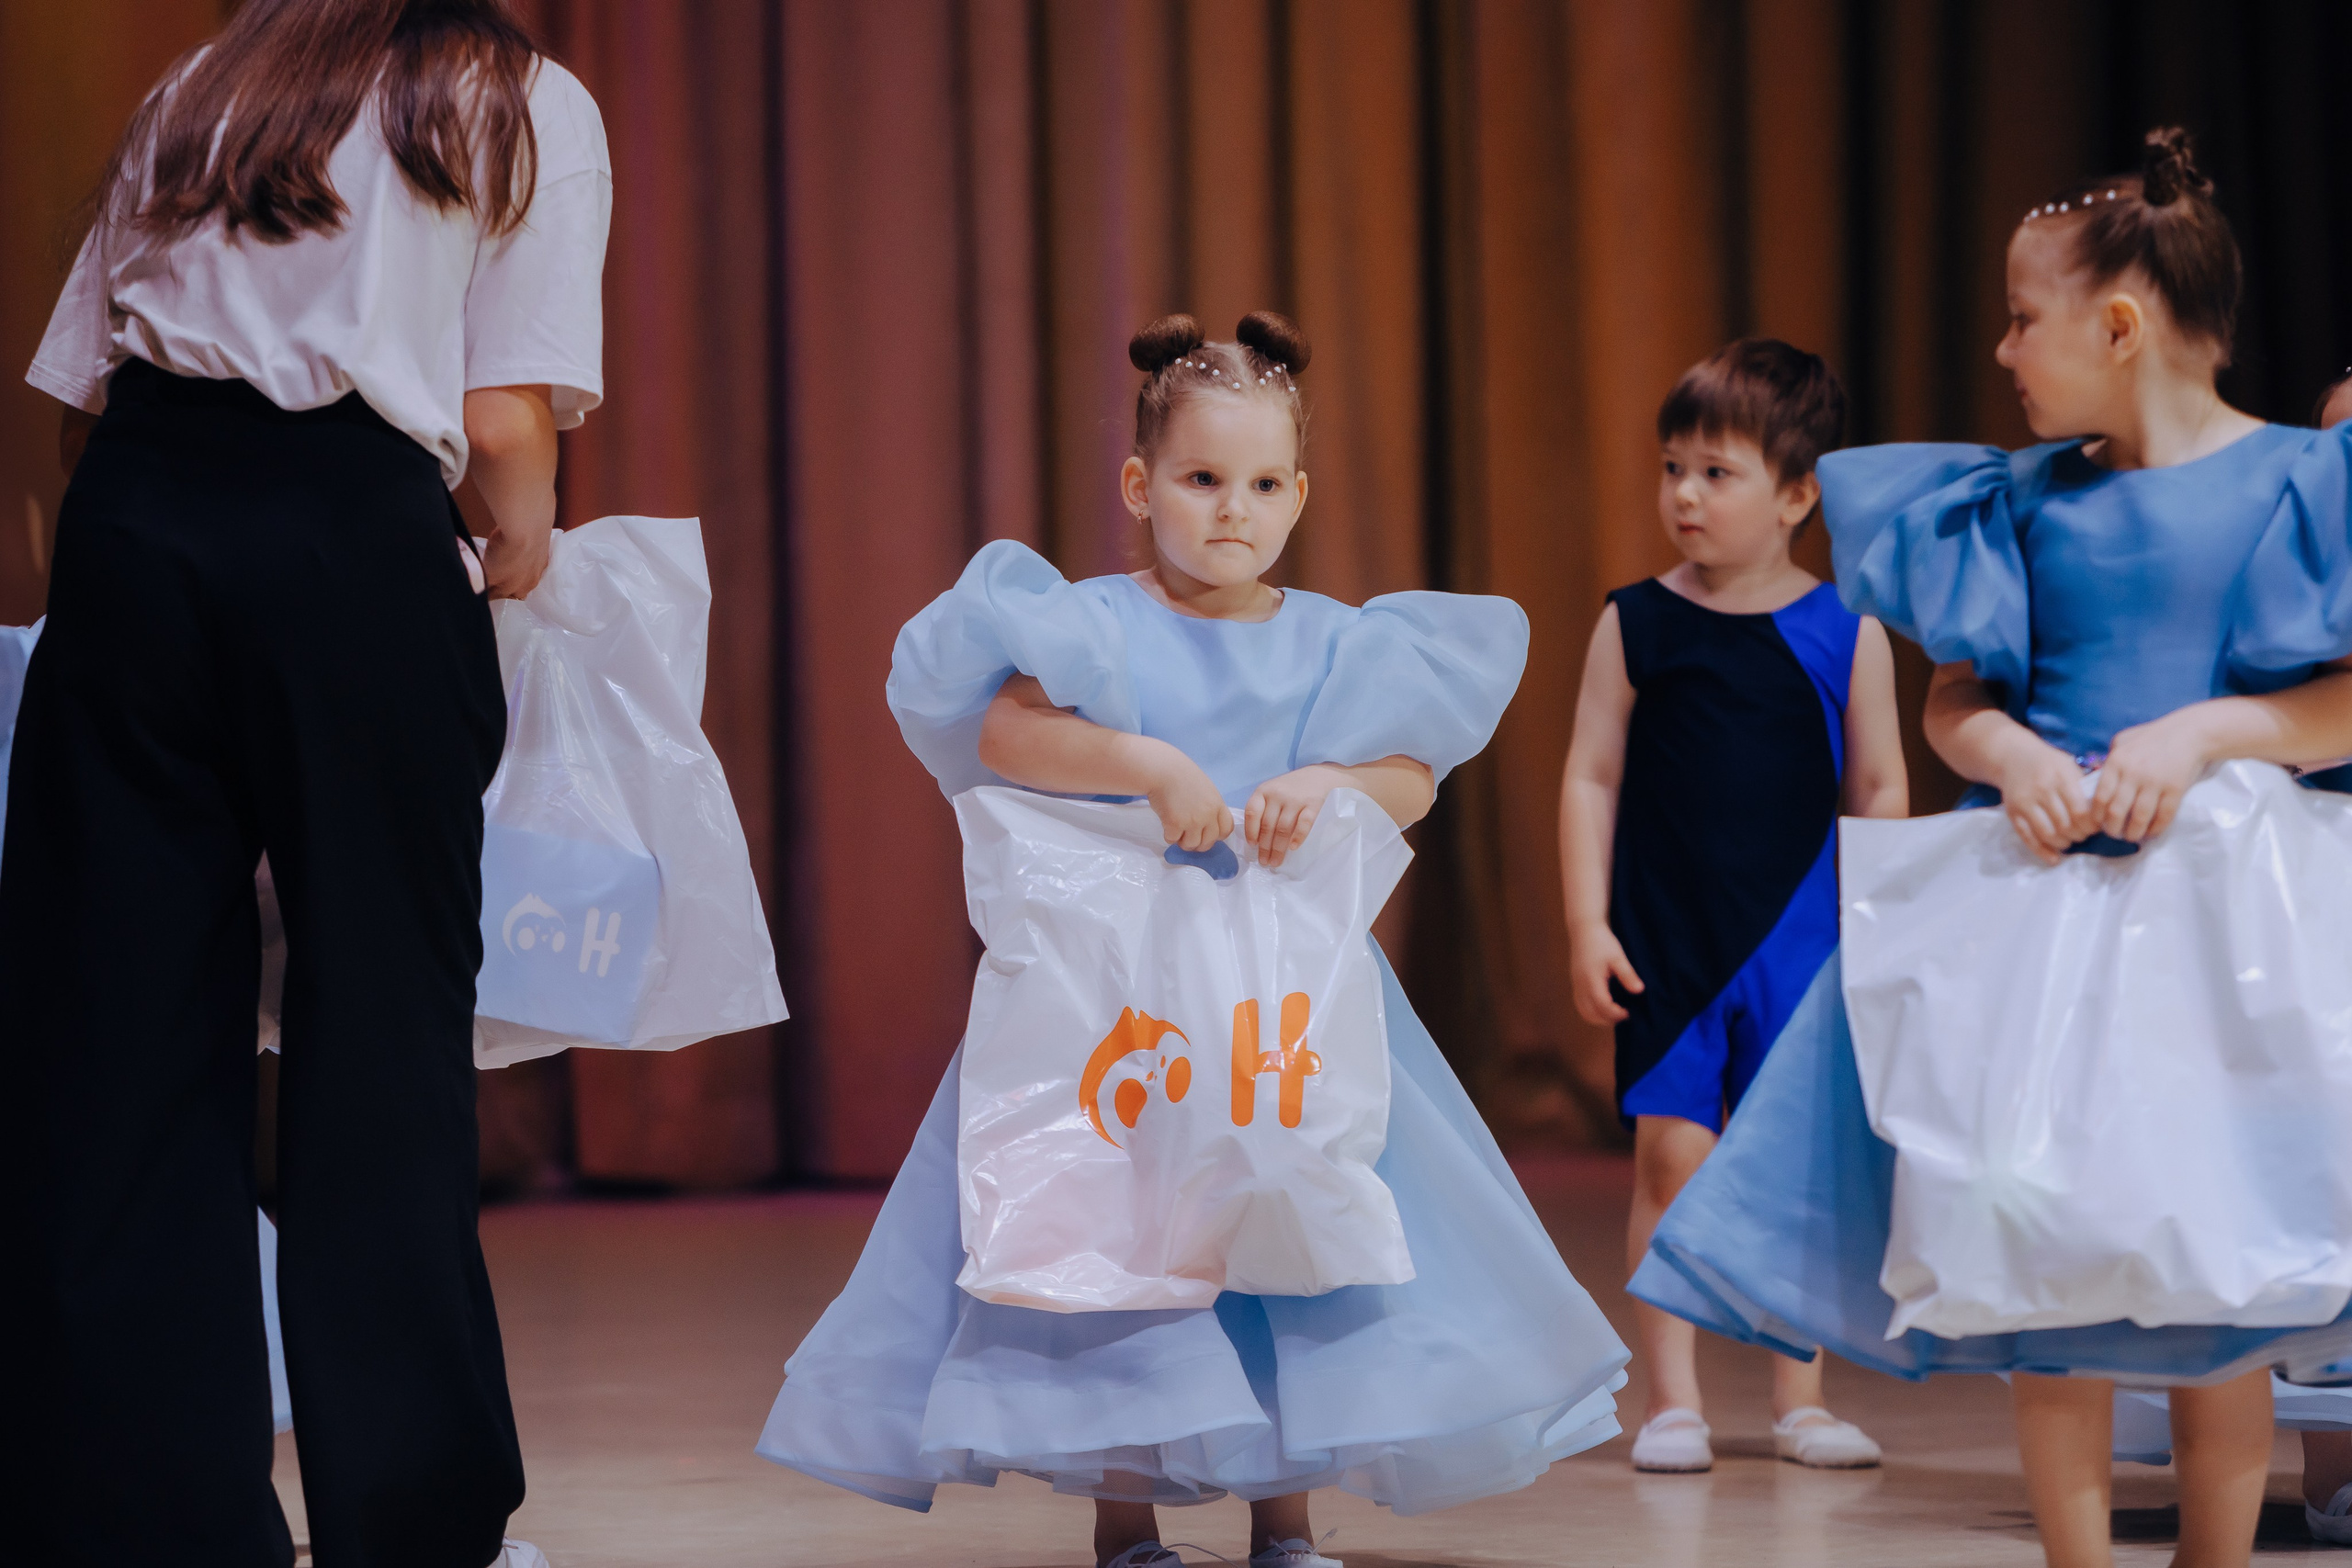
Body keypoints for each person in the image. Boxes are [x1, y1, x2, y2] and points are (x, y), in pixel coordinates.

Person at [757, 311, 1630, 1568]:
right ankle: (1129, 1516)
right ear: (1141, 483)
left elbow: (1413, 782)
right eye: (1203, 479)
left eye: (1265, 483)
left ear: (1302, 493)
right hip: (1128, 1000)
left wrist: (1327, 781)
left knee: (1287, 1217)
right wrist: (1146, 761)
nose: (1235, 510)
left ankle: (1285, 1513)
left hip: (1283, 1004)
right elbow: (1005, 737)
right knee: (1126, 1226)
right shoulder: (1099, 623)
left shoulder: (1335, 635)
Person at [1630, 129, 2352, 1568]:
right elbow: (1960, 694)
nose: (2004, 347)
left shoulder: (2299, 484)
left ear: (2123, 325)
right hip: (2043, 921)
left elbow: (2334, 700)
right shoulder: (2018, 500)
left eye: (2027, 318)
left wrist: (2204, 732)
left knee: (2217, 1268)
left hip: (2221, 926)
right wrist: (2014, 753)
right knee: (2036, 1251)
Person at [3, 3, 610, 1564]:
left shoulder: (204, 82)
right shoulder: (520, 96)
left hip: (136, 522)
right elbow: (500, 426)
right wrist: (521, 559)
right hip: (353, 533)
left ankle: (142, 1523)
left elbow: (83, 394)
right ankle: (411, 1526)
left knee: (115, 1040)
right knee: (381, 1036)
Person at [1559, 339, 1907, 1473]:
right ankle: (1670, 1399)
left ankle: (1798, 1398)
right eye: (1673, 468)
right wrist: (1585, 923)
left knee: (1792, 1175)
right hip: (1668, 944)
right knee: (1671, 1161)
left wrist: (1883, 935)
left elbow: (1878, 788)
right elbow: (1590, 776)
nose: (1684, 496)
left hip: (1802, 949)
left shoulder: (1846, 630)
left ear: (1798, 494)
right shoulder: (1634, 623)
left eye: (1717, 472)